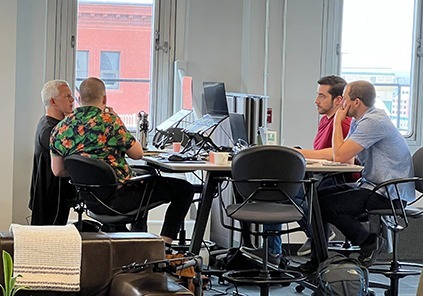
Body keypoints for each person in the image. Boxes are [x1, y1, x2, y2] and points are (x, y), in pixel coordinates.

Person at [50, 77, 194, 247]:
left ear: (79, 99)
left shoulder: (60, 128)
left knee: (147, 178)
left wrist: (89, 174)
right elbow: (138, 154)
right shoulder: (110, 122)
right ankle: (164, 244)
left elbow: (58, 171)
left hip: (90, 201)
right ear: (104, 99)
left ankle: (139, 242)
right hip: (121, 198)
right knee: (184, 189)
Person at [297, 80, 415, 272]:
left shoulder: (373, 122)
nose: (341, 103)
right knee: (315, 197)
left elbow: (340, 156)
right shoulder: (359, 120)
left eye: (344, 99)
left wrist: (336, 120)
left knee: (324, 205)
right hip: (372, 186)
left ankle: (369, 242)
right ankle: (318, 260)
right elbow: (345, 157)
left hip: (389, 193)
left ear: (357, 102)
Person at [248, 75, 351, 266]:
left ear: (338, 100)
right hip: (322, 175)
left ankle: (310, 235)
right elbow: (321, 153)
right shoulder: (326, 120)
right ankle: (274, 250)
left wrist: (299, 153)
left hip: (337, 180)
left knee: (281, 188)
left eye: (322, 96)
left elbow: (340, 154)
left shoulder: (343, 122)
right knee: (275, 184)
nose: (316, 101)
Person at [29, 80, 76, 225]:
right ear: (53, 101)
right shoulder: (48, 130)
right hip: (50, 199)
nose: (72, 100)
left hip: (58, 197)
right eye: (67, 96)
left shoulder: (54, 125)